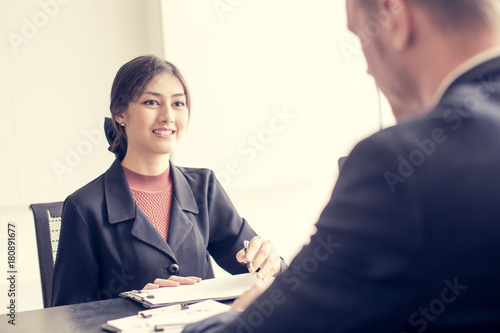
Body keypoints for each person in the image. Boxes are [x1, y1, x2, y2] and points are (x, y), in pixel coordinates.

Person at [183, 0, 500, 332]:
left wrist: (236, 315)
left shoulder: (398, 165)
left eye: (360, 36)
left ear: (395, 17)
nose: (368, 69)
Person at [52, 55, 287, 306]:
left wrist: (270, 261)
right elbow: (68, 317)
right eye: (152, 102)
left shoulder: (204, 187)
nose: (168, 116)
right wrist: (136, 301)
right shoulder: (85, 206)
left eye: (178, 104)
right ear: (120, 113)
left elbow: (259, 274)